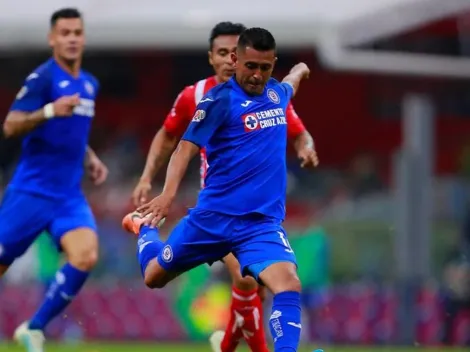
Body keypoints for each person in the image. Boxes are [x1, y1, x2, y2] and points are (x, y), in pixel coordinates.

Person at [131, 21, 317, 352]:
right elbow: (184, 148)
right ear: (235, 58)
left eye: (264, 67)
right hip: (212, 221)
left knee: (287, 283)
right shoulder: (218, 101)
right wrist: (167, 195)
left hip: (259, 226)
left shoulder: (276, 93)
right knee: (153, 277)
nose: (257, 76)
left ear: (272, 64)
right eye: (250, 67)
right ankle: (144, 229)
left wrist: (300, 70)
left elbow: (289, 84)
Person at [0, 8, 107, 352]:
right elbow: (10, 125)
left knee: (86, 255)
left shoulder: (89, 83)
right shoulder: (43, 78)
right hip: (31, 192)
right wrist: (49, 110)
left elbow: (74, 131)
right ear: (52, 39)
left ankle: (33, 328)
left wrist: (90, 158)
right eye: (65, 32)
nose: (72, 38)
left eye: (77, 32)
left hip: (67, 196)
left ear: (84, 37)